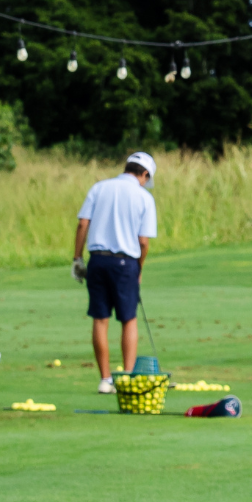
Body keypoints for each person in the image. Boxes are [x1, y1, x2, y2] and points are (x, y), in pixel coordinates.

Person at [72, 151, 158, 392]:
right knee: (128, 319)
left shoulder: (99, 188)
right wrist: (139, 269)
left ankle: (105, 379)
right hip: (125, 262)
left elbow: (82, 224)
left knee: (100, 319)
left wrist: (77, 258)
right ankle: (127, 377)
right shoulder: (144, 197)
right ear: (144, 174)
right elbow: (143, 242)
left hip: (97, 260)